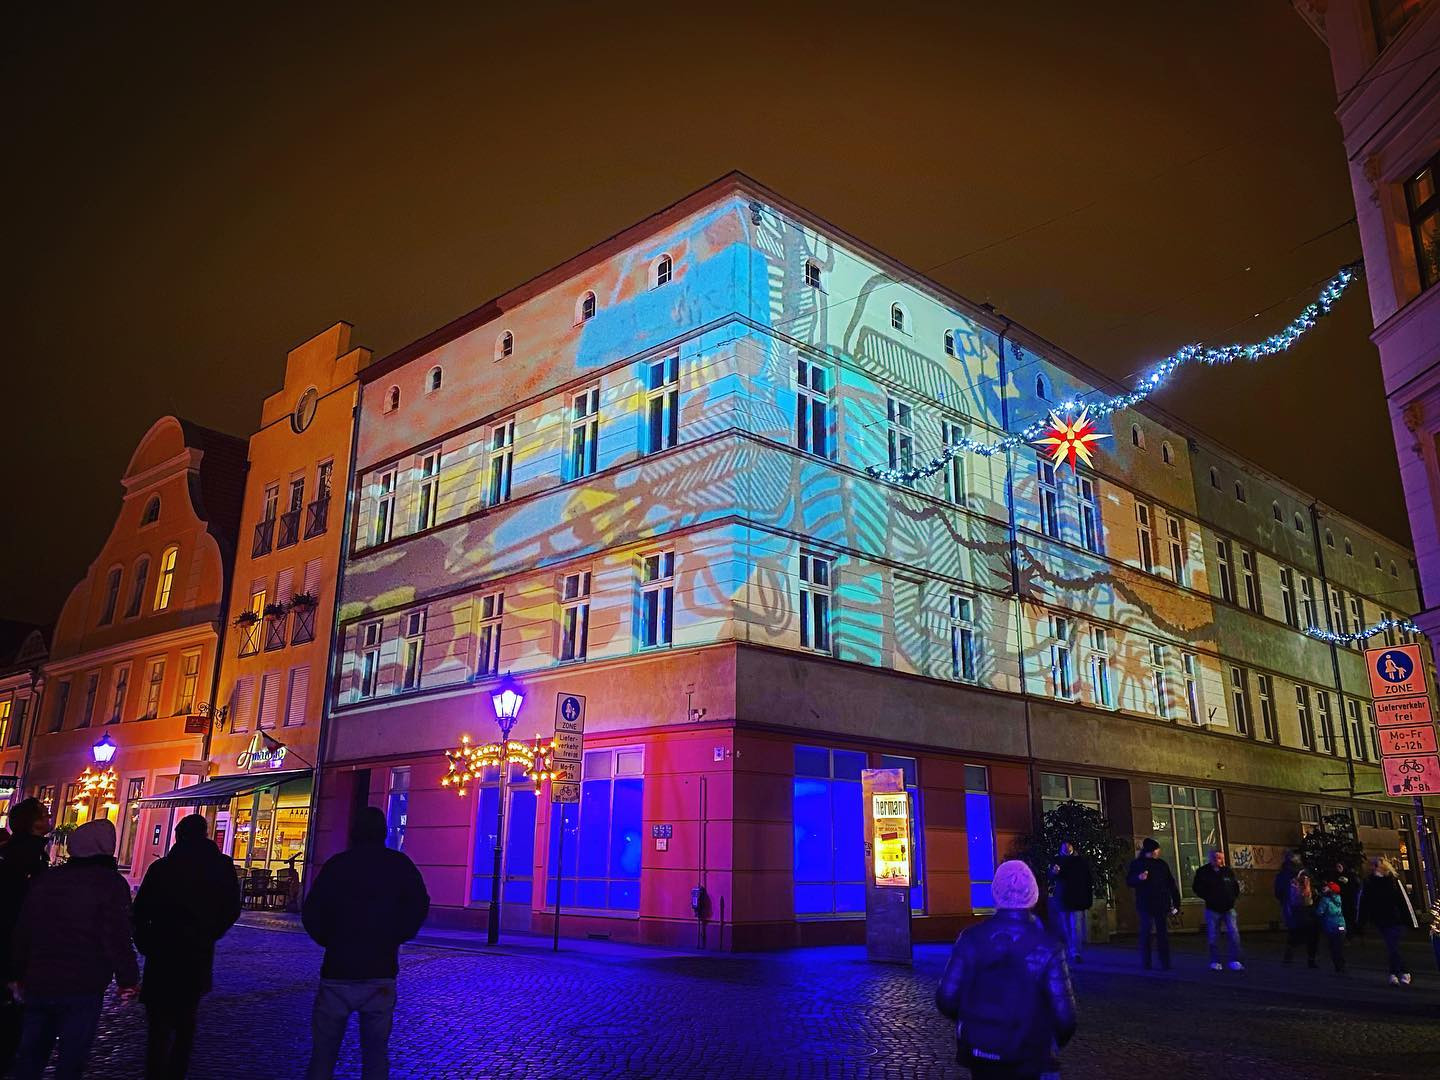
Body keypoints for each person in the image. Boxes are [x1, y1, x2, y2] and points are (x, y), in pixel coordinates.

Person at [303, 806, 429, 1080]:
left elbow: (312, 911)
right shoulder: (398, 865)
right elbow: (419, 905)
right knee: (375, 1055)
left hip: (338, 970)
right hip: (380, 970)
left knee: (323, 1055)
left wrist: (330, 940)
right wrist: (395, 936)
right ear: (383, 832)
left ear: (354, 831)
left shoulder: (337, 865)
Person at [10, 819, 139, 1080]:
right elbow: (116, 935)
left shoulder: (47, 879)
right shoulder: (110, 884)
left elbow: (25, 928)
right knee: (71, 1058)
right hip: (83, 982)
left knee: (31, 1055)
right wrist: (128, 978)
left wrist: (16, 972)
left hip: (40, 978)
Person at [936, 860, 1076, 1080]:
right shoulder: (1049, 946)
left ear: (996, 892)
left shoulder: (971, 938)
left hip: (981, 1051)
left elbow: (946, 997)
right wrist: (1047, 1039)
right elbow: (1065, 1016)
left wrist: (974, 1019)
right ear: (1033, 893)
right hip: (1029, 1053)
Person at [133, 813, 243, 1079]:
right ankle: (176, 1072)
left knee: (158, 1024)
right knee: (186, 1020)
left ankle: (155, 1073)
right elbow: (231, 908)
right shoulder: (220, 867)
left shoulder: (162, 868)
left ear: (179, 836)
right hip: (197, 952)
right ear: (204, 835)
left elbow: (140, 911)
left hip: (162, 952)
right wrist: (210, 933)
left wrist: (146, 943)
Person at [0, 798, 52, 1073]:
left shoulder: (23, 853)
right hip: (16, 951)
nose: (49, 816)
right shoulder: (27, 857)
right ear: (33, 823)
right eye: (43, 814)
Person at [1358, 856, 1417, 986]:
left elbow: (1403, 901)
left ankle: (1396, 973)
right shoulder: (1369, 882)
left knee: (1392, 946)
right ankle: (1402, 972)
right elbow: (1364, 903)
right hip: (1381, 919)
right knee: (1392, 946)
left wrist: (1411, 921)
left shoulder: (1393, 880)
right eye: (1372, 865)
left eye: (1376, 865)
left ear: (1382, 866)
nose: (1373, 867)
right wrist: (1361, 921)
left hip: (1395, 919)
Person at [1126, 838, 1180, 971]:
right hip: (1147, 903)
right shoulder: (1139, 864)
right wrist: (1139, 878)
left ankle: (1161, 962)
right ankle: (1150, 962)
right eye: (1156, 849)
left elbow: (1170, 883)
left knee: (1160, 933)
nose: (1158, 852)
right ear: (1152, 850)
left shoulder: (1160, 864)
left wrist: (1175, 902)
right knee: (1148, 932)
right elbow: (1129, 881)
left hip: (1158, 902)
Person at [1191, 848, 1243, 971]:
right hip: (1213, 908)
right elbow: (1197, 887)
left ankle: (1234, 960)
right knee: (1213, 936)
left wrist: (1232, 898)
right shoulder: (1203, 872)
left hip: (1228, 907)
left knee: (1234, 935)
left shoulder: (1227, 871)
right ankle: (1215, 960)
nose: (1218, 860)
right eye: (1216, 858)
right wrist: (1208, 897)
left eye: (1220, 858)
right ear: (1211, 858)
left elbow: (1235, 886)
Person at [1047, 841, 1093, 963]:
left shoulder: (1080, 861)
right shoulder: (1056, 859)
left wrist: (1086, 896)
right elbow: (1050, 876)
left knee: (1075, 925)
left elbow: (1087, 879)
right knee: (1065, 926)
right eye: (1064, 845)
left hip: (1076, 897)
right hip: (1062, 897)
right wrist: (1054, 872)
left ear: (1072, 846)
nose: (1066, 847)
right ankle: (1070, 949)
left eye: (1069, 844)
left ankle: (1075, 951)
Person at [1314, 881, 1347, 973]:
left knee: (1333, 947)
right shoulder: (1338, 898)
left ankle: (1338, 966)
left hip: (1331, 926)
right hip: (1341, 925)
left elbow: (1319, 912)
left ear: (1331, 890)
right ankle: (1342, 964)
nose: (1325, 888)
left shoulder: (1325, 900)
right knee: (1339, 946)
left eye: (1327, 887)